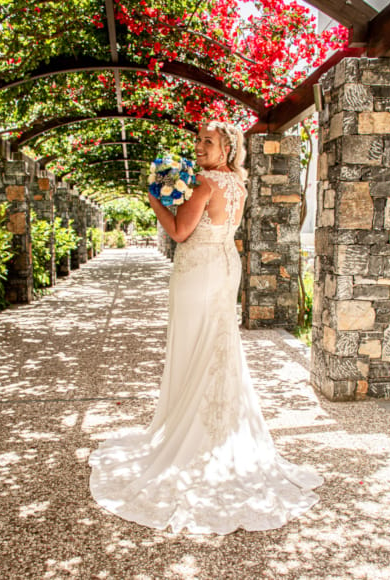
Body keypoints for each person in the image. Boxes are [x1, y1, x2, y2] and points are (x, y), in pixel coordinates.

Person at [89, 122, 323, 534]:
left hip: (197, 272)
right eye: (198, 141)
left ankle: (192, 430)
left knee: (194, 345)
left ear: (227, 148)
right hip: (224, 267)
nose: (199, 147)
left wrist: (154, 200)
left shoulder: (205, 183)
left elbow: (180, 232)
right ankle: (219, 426)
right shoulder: (239, 183)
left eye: (207, 142)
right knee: (218, 344)